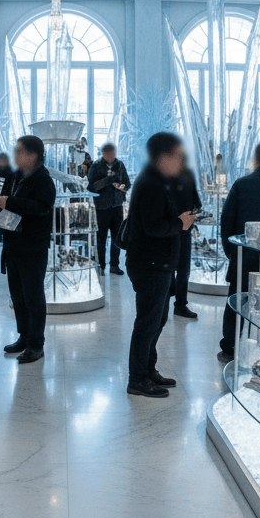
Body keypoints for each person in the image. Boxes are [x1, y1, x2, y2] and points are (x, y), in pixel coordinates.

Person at [124, 132, 197, 398]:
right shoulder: (150, 184)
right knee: (148, 323)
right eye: (176, 155)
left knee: (157, 320)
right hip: (150, 264)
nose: (181, 160)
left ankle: (147, 369)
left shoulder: (159, 181)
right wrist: (180, 223)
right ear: (162, 157)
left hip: (160, 263)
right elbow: (152, 226)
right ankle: (137, 379)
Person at [218, 141, 260, 364]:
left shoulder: (242, 184)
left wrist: (231, 252)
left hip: (243, 257)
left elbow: (226, 221)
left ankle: (229, 348)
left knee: (236, 301)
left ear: (256, 158)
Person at [0, 135, 56, 364]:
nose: (15, 155)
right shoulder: (14, 176)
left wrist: (8, 202)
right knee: (18, 296)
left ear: (33, 155)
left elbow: (42, 208)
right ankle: (24, 337)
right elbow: (5, 201)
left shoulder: (44, 179)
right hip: (13, 244)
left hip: (33, 247)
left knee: (33, 297)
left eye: (19, 151)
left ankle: (36, 344)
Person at [85, 142, 130, 276]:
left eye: (113, 154)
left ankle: (114, 265)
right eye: (108, 154)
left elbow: (127, 185)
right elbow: (91, 187)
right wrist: (108, 180)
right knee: (101, 238)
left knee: (117, 237)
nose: (111, 157)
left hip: (117, 207)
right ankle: (101, 265)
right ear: (103, 154)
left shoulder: (120, 165)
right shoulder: (95, 166)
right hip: (101, 208)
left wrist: (119, 186)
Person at [172, 164, 201, 319]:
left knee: (181, 269)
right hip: (171, 230)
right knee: (177, 268)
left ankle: (180, 304)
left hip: (181, 230)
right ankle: (177, 304)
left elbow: (197, 204)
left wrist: (192, 216)